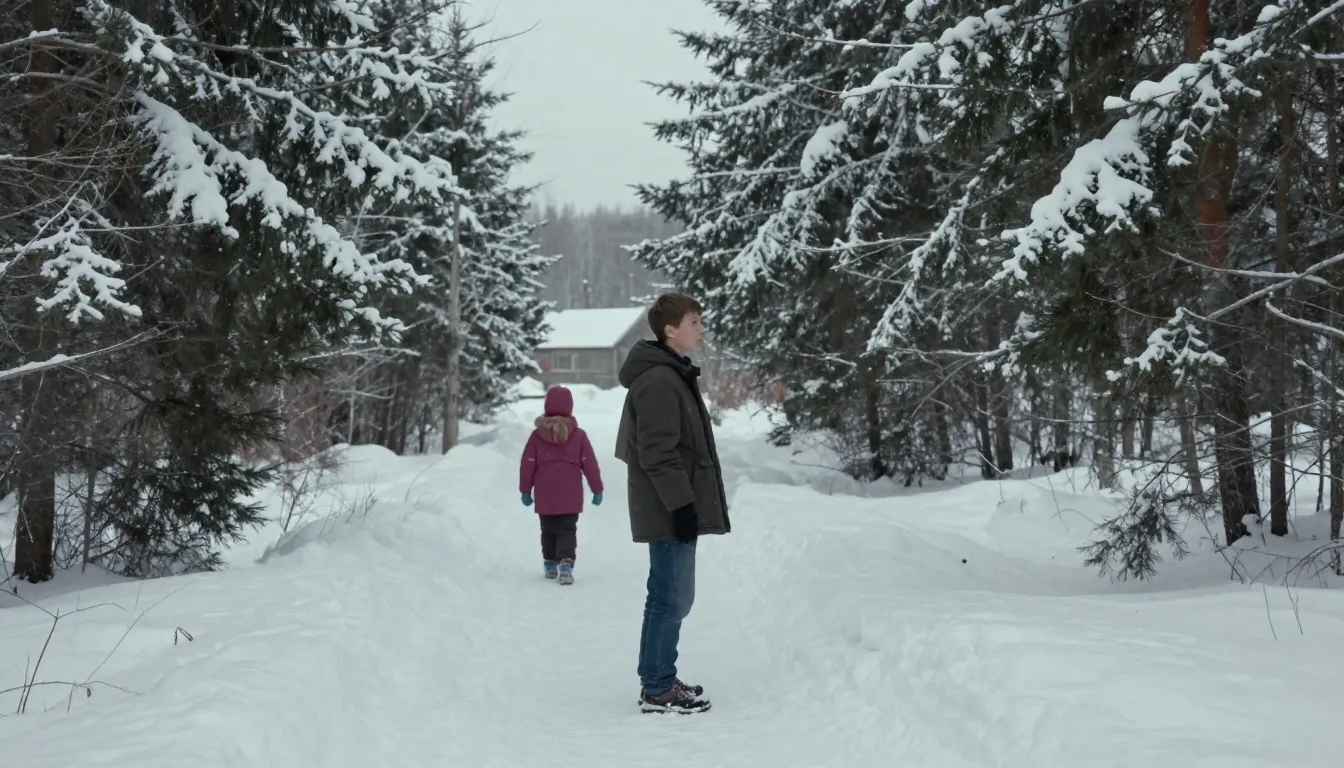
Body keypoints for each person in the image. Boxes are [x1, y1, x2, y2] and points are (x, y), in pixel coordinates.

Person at [615, 292, 730, 714]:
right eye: (694, 322)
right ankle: (658, 688)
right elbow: (657, 453)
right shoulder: (660, 381)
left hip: (670, 504)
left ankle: (659, 676)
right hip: (668, 508)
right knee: (672, 598)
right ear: (670, 329)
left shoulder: (671, 374)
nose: (701, 329)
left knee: (668, 595)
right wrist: (682, 507)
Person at [519, 385, 603, 586]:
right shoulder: (578, 435)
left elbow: (527, 464)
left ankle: (550, 562)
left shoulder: (537, 435)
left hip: (545, 492)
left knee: (547, 529)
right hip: (570, 493)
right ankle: (566, 563)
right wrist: (597, 488)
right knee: (567, 529)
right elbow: (590, 464)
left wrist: (525, 490)